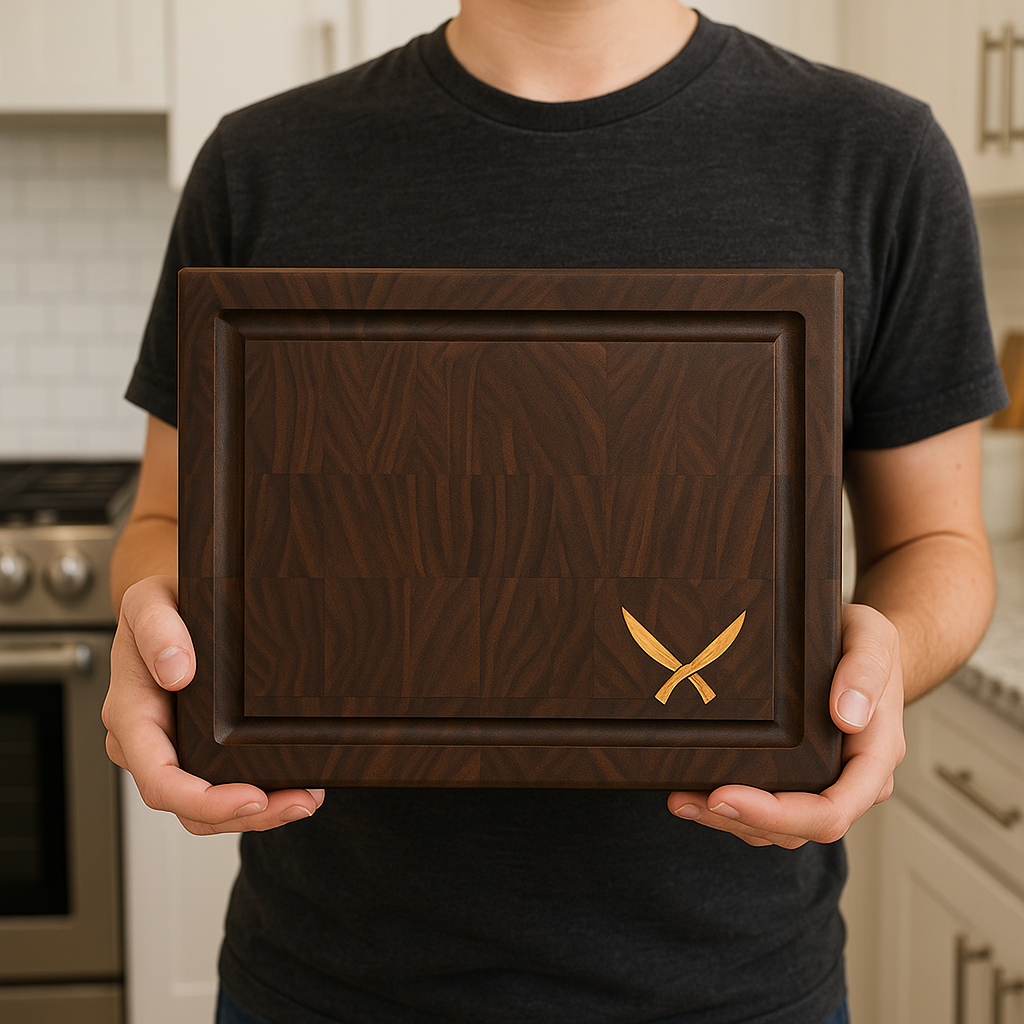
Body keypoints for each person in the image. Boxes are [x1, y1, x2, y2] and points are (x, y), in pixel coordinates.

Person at [102, 2, 1008, 1022]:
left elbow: (936, 543)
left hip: (735, 990)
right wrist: (153, 632)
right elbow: (167, 524)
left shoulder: (874, 155)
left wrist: (882, 659)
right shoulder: (261, 161)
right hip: (324, 983)